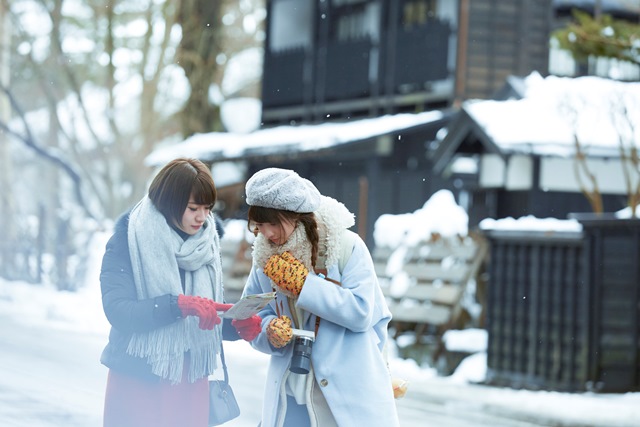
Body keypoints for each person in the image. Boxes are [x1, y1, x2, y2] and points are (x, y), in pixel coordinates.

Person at [99, 158, 262, 427]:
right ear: (170, 202)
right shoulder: (129, 239)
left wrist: (236, 324)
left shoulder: (206, 246)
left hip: (189, 383)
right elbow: (118, 311)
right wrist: (177, 306)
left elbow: (207, 316)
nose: (202, 217)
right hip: (138, 378)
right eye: (193, 208)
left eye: (207, 208)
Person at [241, 167, 400, 427]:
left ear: (296, 215)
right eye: (259, 225)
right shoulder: (265, 257)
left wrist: (306, 286)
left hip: (345, 400)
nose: (267, 233)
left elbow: (362, 313)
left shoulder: (345, 245)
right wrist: (269, 329)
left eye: (273, 223)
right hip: (289, 397)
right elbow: (251, 313)